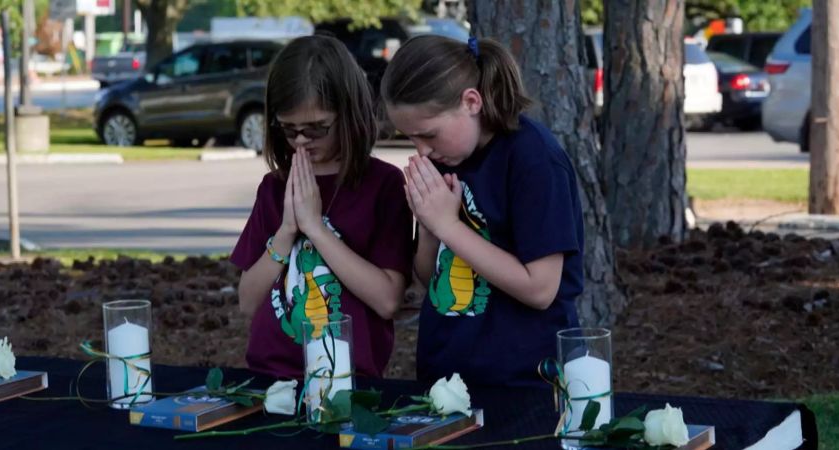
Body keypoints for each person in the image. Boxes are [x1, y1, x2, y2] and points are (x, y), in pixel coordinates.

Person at [381, 35, 585, 387]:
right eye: (411, 139)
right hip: (445, 376)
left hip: (523, 381)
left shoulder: (533, 159)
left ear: (471, 101)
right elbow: (432, 279)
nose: (423, 151)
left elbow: (541, 289)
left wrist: (447, 225)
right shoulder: (449, 158)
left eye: (429, 134)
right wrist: (429, 229)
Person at [230, 34, 412, 380]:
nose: (300, 140)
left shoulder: (383, 185)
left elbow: (388, 300)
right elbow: (248, 302)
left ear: (349, 113)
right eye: (288, 129)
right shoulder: (274, 189)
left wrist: (315, 228)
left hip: (349, 379)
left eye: (316, 129)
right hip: (273, 376)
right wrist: (286, 232)